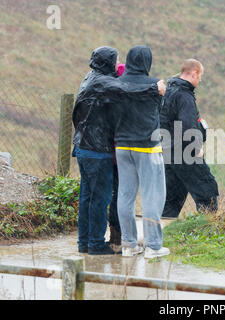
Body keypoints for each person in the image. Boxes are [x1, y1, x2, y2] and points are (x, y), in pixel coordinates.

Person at [72, 46, 163, 255]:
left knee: (87, 196)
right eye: (115, 60)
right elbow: (127, 89)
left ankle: (84, 242)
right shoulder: (103, 82)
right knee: (100, 198)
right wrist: (153, 89)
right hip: (97, 148)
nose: (117, 64)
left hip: (83, 146)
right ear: (107, 62)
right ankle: (95, 244)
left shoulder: (90, 77)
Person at [114, 45, 169, 259]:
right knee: (152, 196)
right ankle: (153, 246)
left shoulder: (116, 84)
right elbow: (160, 109)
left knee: (125, 196)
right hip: (147, 146)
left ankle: (129, 244)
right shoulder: (155, 85)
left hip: (121, 146)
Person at [160, 59, 219, 219]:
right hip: (186, 153)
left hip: (168, 153)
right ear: (194, 74)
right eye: (200, 76)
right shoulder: (184, 96)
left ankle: (159, 236)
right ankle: (209, 233)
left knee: (171, 200)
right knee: (208, 192)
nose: (200, 80)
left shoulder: (168, 92)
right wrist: (196, 148)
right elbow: (187, 127)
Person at [108, 63, 126, 249]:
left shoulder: (108, 94)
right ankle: (117, 239)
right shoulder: (124, 98)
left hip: (108, 154)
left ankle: (115, 237)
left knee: (113, 194)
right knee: (120, 195)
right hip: (120, 155)